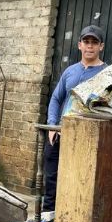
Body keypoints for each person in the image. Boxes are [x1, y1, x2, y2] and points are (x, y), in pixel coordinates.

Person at [42, 25, 108, 211]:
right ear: (79, 45)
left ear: (101, 47)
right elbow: (56, 99)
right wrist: (52, 125)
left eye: (94, 42)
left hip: (86, 138)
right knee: (52, 178)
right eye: (86, 42)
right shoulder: (70, 71)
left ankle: (72, 218)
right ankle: (48, 218)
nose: (89, 46)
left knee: (79, 180)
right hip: (61, 134)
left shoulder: (107, 74)